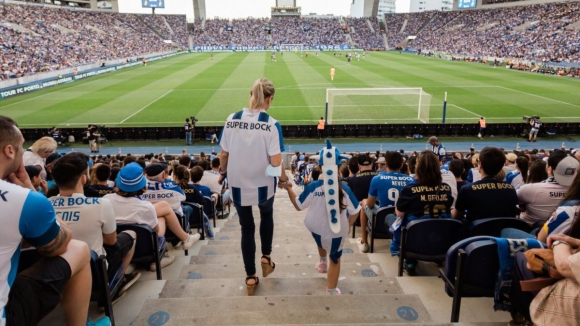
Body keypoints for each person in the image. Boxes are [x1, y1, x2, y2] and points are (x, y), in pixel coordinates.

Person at [0, 116, 109, 326]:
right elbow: (60, 244)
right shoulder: (24, 200)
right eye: (21, 146)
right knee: (79, 248)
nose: (24, 152)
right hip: (6, 316)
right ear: (9, 151)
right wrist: (31, 192)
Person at [218, 78, 288, 295]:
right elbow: (276, 162)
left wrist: (222, 173)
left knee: (246, 228)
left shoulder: (232, 119)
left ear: (250, 95)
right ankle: (266, 257)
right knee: (267, 215)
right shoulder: (271, 123)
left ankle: (250, 277)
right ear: (270, 99)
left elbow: (223, 154)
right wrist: (284, 180)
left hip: (238, 185)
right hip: (264, 185)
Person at [50, 152, 140, 298]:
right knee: (131, 235)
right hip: (94, 272)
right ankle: (118, 280)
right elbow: (111, 241)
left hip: (55, 274)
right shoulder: (101, 204)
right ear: (84, 178)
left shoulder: (45, 205)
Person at [281, 143, 360, 295]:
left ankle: (322, 263)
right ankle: (330, 289)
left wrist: (289, 188)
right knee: (335, 258)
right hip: (336, 232)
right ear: (339, 165)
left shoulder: (313, 186)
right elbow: (356, 210)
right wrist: (349, 224)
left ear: (319, 165)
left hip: (315, 228)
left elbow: (298, 205)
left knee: (322, 239)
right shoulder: (345, 188)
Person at [104, 163, 199, 271]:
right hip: (145, 248)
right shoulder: (146, 207)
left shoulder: (106, 200)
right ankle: (161, 255)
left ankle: (131, 262)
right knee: (161, 219)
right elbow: (156, 231)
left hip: (118, 247)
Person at [389, 151, 454, 272]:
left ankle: (410, 261)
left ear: (418, 166)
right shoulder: (446, 188)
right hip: (440, 238)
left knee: (392, 219)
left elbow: (399, 214)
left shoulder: (410, 189)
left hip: (416, 239)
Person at [359, 151, 413, 254]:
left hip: (382, 222)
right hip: (402, 221)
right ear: (401, 165)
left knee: (364, 202)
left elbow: (370, 205)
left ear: (386, 164)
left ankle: (364, 241)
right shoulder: (410, 180)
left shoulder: (377, 178)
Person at [453, 147, 519, 222]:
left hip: (476, 231)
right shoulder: (511, 189)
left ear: (480, 165)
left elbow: (456, 216)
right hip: (503, 231)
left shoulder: (467, 190)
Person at [516, 151, 578, 226]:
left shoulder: (528, 189)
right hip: (568, 232)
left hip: (530, 230)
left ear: (549, 169)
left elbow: (516, 205)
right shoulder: (576, 190)